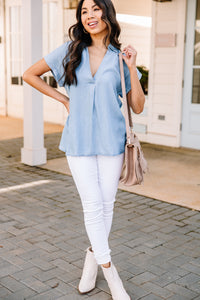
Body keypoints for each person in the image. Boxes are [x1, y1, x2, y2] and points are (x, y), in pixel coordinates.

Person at [23, 0, 145, 299]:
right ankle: (110, 272)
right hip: (78, 141)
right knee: (92, 206)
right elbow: (30, 74)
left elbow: (138, 107)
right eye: (84, 11)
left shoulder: (120, 58)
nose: (89, 16)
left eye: (95, 9)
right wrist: (63, 99)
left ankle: (91, 264)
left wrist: (131, 67)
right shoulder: (70, 50)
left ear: (107, 13)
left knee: (106, 206)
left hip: (112, 141)